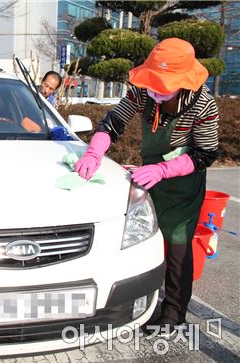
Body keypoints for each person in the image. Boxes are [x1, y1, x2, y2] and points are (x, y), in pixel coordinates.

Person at [74, 38, 220, 337]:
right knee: (142, 238)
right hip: (147, 171)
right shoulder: (142, 92)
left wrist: (165, 169)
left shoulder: (204, 104)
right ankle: (142, 301)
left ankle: (174, 312)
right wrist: (94, 152)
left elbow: (205, 154)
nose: (156, 88)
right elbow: (113, 122)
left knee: (178, 244)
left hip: (183, 178)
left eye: (165, 83)